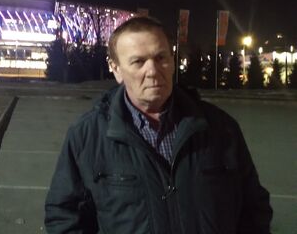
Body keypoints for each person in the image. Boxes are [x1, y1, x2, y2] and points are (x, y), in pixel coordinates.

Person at [44, 16, 272, 234]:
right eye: (138, 62)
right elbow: (65, 217)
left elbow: (253, 208)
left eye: (161, 57)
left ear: (172, 61)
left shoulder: (221, 128)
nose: (153, 71)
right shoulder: (86, 136)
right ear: (116, 69)